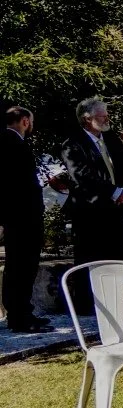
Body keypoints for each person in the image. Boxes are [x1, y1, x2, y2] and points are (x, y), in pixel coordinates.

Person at [60, 97, 123, 311]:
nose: (107, 119)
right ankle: (86, 303)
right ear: (87, 119)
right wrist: (112, 191)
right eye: (103, 116)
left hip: (116, 209)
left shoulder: (110, 139)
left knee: (116, 254)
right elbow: (82, 176)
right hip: (90, 210)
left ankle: (115, 298)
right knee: (89, 255)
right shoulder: (73, 144)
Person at [1, 107, 47, 332]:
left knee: (17, 266)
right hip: (23, 216)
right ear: (25, 121)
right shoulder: (15, 144)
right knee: (22, 267)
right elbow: (20, 185)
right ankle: (20, 316)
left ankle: (20, 312)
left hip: (16, 216)